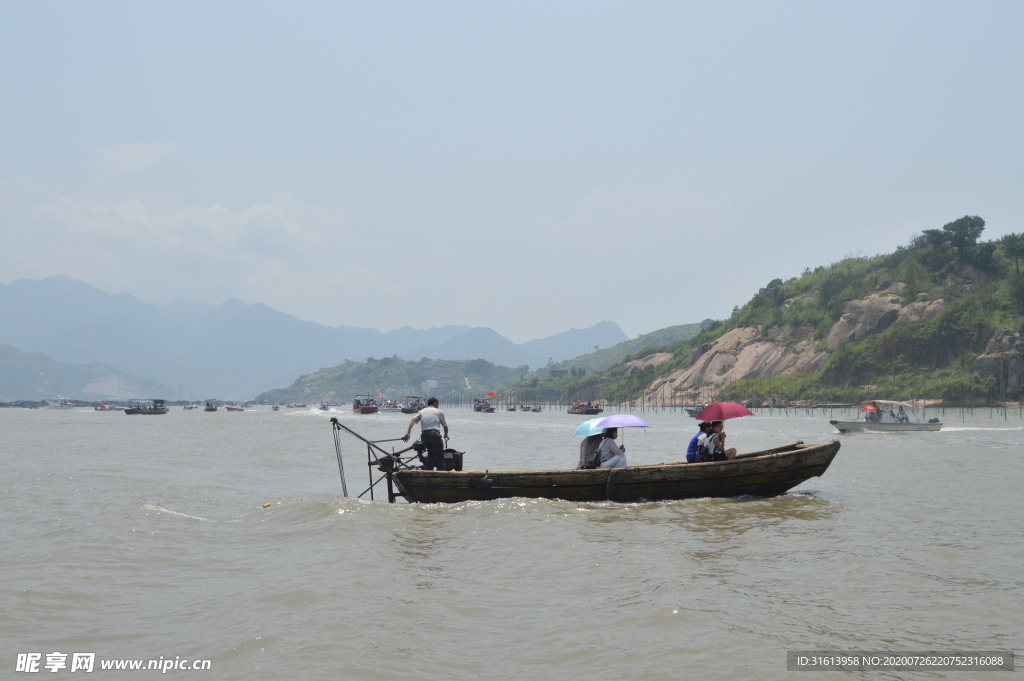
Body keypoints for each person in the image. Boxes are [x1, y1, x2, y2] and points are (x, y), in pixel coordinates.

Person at [402, 397, 449, 470]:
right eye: (438, 404)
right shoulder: (438, 411)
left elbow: (413, 420)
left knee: (430, 454)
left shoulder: (422, 411)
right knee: (440, 456)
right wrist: (446, 435)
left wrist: (408, 432)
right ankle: (442, 474)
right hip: (434, 434)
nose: (438, 405)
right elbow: (445, 426)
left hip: (424, 435)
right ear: (434, 403)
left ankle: (429, 471)